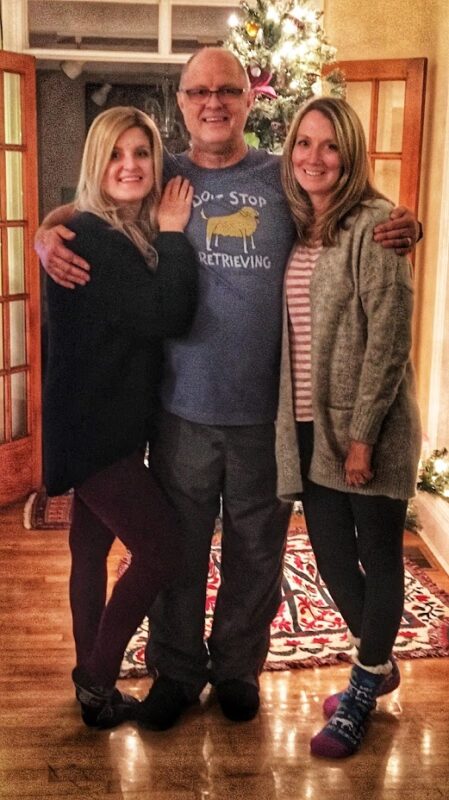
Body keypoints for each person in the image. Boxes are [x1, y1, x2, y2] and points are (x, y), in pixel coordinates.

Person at [35, 47, 421, 731]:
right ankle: (177, 669)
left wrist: (403, 221)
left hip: (264, 411)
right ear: (181, 103)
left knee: (256, 549)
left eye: (227, 90)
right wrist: (44, 232)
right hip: (178, 406)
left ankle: (238, 666)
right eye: (197, 92)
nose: (212, 102)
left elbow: (350, 203)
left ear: (249, 98)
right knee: (178, 547)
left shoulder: (281, 177)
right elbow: (97, 194)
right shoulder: (162, 172)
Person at [43, 105, 198, 728]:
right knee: (165, 553)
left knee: (89, 549)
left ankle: (93, 682)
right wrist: (174, 232)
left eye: (141, 153)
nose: (130, 166)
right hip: (99, 434)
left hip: (90, 426)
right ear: (95, 163)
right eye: (116, 154)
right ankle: (96, 678)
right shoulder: (97, 239)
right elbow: (171, 315)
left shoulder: (93, 229)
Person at [276, 96, 421, 758]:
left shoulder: (375, 225)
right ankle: (378, 662)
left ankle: (361, 689)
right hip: (308, 427)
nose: (314, 157)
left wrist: (363, 435)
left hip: (370, 431)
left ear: (350, 152)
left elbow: (389, 339)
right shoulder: (295, 224)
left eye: (329, 145)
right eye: (303, 143)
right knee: (333, 558)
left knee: (379, 556)